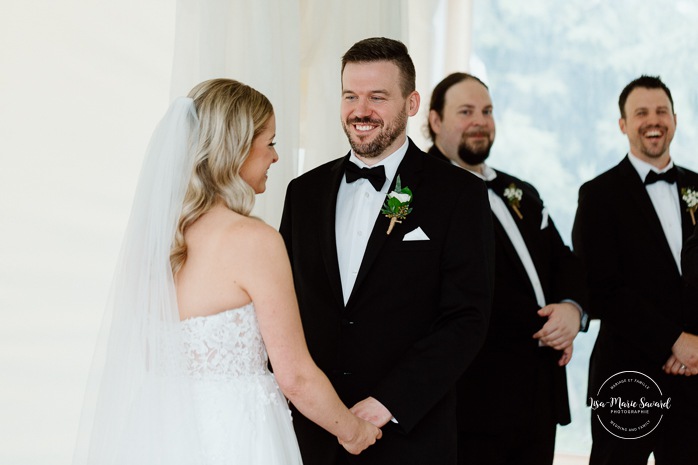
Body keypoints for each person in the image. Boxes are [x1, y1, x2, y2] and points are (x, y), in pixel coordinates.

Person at [73, 78, 381, 465]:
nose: (275, 157)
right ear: (236, 149)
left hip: (156, 433)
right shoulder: (254, 241)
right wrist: (353, 431)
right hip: (237, 434)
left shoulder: (155, 241)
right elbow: (296, 378)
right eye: (269, 142)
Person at [279, 38, 494, 465]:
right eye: (350, 96)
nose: (361, 111)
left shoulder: (458, 194)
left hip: (408, 436)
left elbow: (466, 318)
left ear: (411, 103)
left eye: (377, 97)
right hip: (312, 435)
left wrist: (389, 402)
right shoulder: (303, 192)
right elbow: (285, 306)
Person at [426, 72, 588, 465]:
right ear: (435, 121)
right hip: (474, 399)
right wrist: (544, 327)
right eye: (465, 111)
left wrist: (572, 310)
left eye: (486, 111)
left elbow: (564, 263)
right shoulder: (424, 192)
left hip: (539, 398)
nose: (479, 120)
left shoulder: (523, 193)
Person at [572, 75, 698, 465]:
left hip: (697, 372)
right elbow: (602, 288)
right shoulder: (598, 195)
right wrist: (675, 341)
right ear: (623, 124)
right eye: (640, 112)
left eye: (661, 111)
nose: (652, 120)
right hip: (627, 374)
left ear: (675, 120)